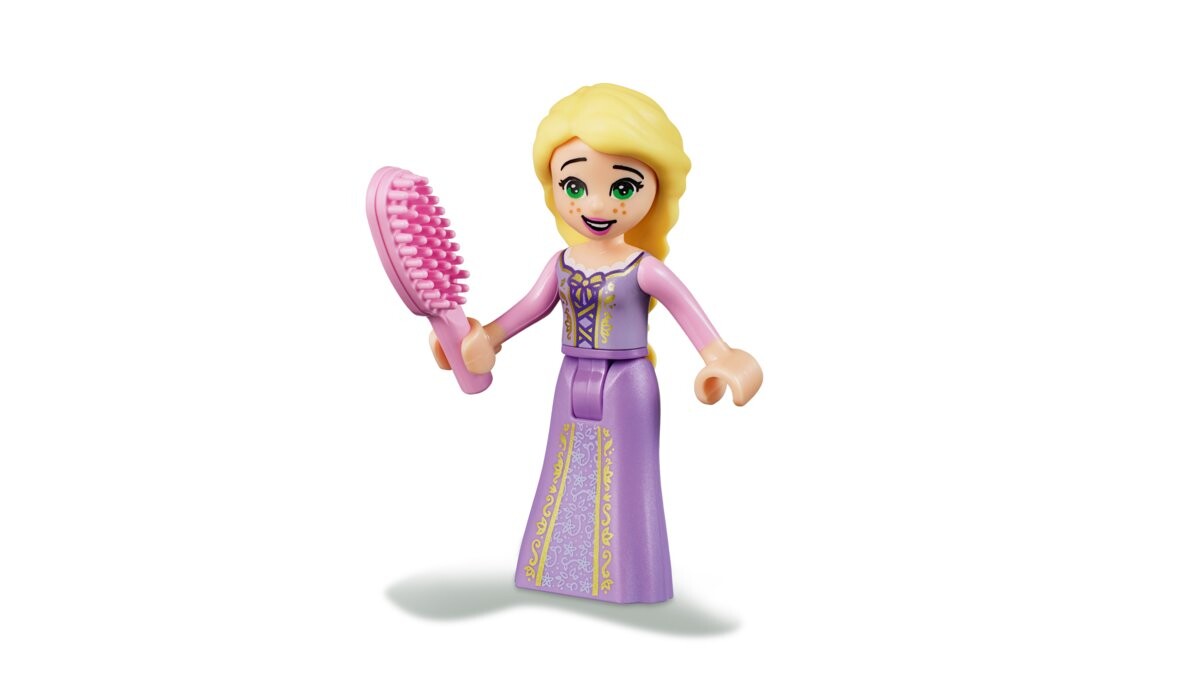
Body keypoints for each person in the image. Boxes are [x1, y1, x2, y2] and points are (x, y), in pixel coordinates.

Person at [433, 84, 762, 603]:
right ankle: (553, 571)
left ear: (656, 191)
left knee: (626, 480)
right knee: (564, 466)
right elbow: (526, 310)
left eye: (623, 187)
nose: (597, 204)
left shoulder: (643, 268)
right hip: (570, 377)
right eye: (575, 185)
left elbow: (691, 318)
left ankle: (629, 582)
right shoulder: (561, 263)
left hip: (627, 381)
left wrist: (720, 357)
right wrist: (482, 339)